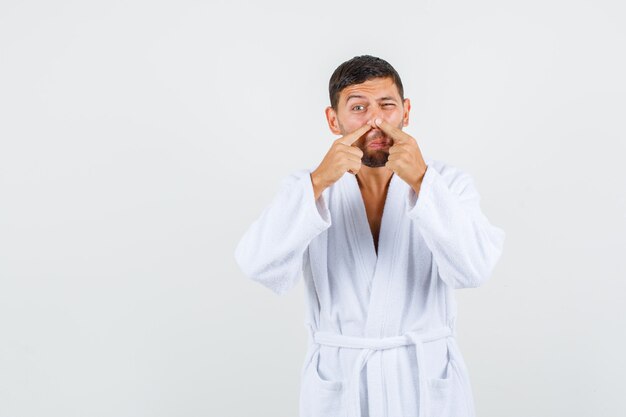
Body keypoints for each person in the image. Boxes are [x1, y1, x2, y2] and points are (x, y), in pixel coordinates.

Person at [234, 54, 505, 417]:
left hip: (423, 383)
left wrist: (423, 181)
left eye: (387, 106)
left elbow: (475, 269)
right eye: (358, 107)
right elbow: (256, 263)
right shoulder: (307, 189)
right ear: (334, 120)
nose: (375, 121)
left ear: (406, 112)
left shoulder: (448, 184)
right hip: (342, 383)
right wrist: (317, 182)